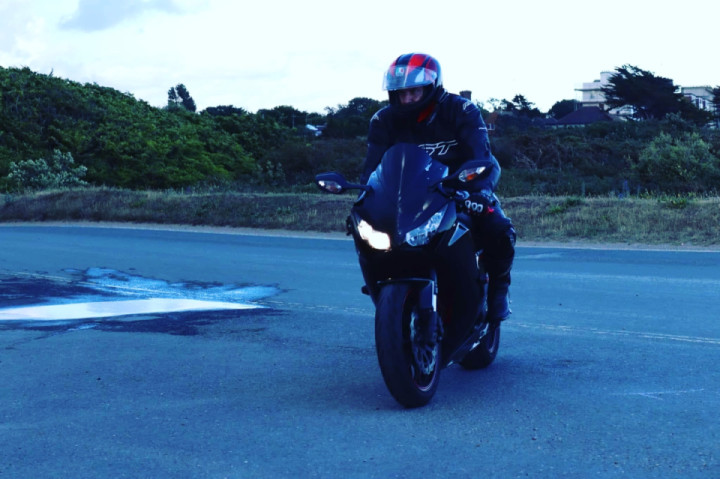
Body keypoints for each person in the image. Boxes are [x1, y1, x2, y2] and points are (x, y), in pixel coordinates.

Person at [360, 53, 516, 323]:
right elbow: (373, 166)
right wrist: (365, 198)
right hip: (411, 192)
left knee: (497, 226)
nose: (407, 99)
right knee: (367, 230)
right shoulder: (382, 120)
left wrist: (479, 192)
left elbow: (480, 155)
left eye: (414, 91)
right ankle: (380, 283)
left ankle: (499, 288)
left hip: (462, 183)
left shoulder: (461, 110)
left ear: (431, 87)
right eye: (401, 93)